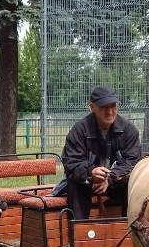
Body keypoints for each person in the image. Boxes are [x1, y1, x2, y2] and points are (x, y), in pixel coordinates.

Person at [60, 85, 142, 220]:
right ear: (92, 108)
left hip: (116, 182)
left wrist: (109, 179)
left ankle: (129, 232)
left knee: (134, 184)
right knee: (75, 185)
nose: (110, 111)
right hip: (86, 183)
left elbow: (133, 162)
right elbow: (71, 163)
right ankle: (78, 234)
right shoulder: (79, 130)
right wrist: (91, 173)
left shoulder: (129, 130)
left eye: (113, 106)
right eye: (105, 107)